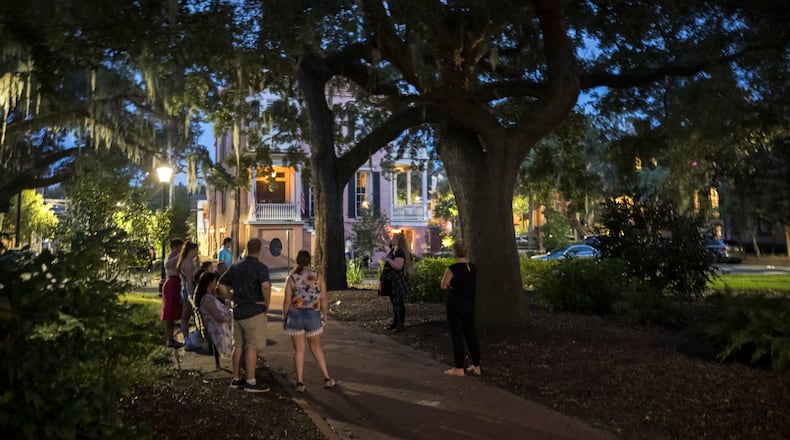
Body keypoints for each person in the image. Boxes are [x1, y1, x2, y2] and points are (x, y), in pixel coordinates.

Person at [218, 238, 271, 393]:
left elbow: (221, 284)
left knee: (238, 345)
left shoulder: (236, 267)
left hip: (238, 311)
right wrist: (266, 303)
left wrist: (228, 297)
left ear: (247, 248)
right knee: (252, 347)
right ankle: (250, 381)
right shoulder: (261, 268)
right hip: (254, 311)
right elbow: (266, 286)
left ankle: (236, 378)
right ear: (259, 249)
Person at [282, 250, 336, 393]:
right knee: (316, 348)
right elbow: (323, 298)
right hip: (313, 314)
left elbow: (287, 300)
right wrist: (325, 315)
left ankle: (300, 382)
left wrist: (285, 316)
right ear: (309, 261)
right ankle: (327, 378)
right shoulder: (318, 276)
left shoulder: (292, 278)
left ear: (297, 260)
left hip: (295, 315)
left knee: (299, 350)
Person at [440, 241, 481, 377]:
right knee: (471, 334)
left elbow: (443, 285)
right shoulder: (472, 268)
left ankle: (459, 367)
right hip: (469, 304)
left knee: (457, 335)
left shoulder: (453, 268)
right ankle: (476, 365)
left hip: (455, 304)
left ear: (454, 252)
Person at [381, 233, 413, 333]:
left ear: (398, 240)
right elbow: (387, 242)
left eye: (393, 238)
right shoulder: (395, 249)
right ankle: (396, 322)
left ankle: (400, 324)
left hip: (396, 279)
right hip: (393, 279)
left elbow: (398, 266)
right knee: (395, 301)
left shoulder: (399, 252)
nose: (392, 239)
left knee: (398, 301)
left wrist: (388, 260)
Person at [196, 271, 233, 357]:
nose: (216, 284)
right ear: (210, 283)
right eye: (215, 281)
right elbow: (220, 318)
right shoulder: (207, 299)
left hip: (220, 326)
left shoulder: (210, 296)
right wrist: (232, 316)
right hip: (219, 330)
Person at [161, 238, 184, 348]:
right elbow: (168, 265)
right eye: (179, 246)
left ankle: (172, 338)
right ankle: (169, 339)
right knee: (170, 312)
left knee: (175, 313)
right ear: (175, 247)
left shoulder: (179, 257)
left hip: (177, 283)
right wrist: (177, 255)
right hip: (171, 283)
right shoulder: (170, 257)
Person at [177, 241, 200, 340]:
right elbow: (189, 281)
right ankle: (187, 338)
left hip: (184, 290)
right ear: (191, 250)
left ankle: (189, 337)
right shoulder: (188, 263)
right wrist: (191, 295)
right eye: (196, 250)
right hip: (188, 291)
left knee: (189, 315)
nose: (197, 252)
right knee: (186, 315)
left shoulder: (187, 261)